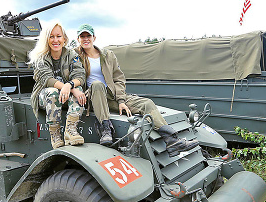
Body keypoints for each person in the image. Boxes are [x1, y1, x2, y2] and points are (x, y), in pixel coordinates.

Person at [75, 24, 198, 157]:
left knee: (146, 103)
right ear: (78, 39)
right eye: (82, 36)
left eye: (88, 36)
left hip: (111, 95)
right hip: (92, 98)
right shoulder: (74, 56)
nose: (86, 39)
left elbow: (119, 79)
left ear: (94, 37)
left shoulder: (107, 55)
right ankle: (105, 130)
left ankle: (172, 141)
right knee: (97, 84)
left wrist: (121, 100)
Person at [29, 22, 87, 149]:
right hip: (45, 96)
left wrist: (70, 86)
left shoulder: (72, 55)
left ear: (64, 39)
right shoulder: (40, 57)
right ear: (46, 39)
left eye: (59, 36)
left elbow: (80, 75)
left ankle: (70, 131)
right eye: (51, 36)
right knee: (53, 92)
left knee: (79, 89)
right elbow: (47, 79)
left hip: (66, 94)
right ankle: (54, 134)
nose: (55, 40)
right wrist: (67, 87)